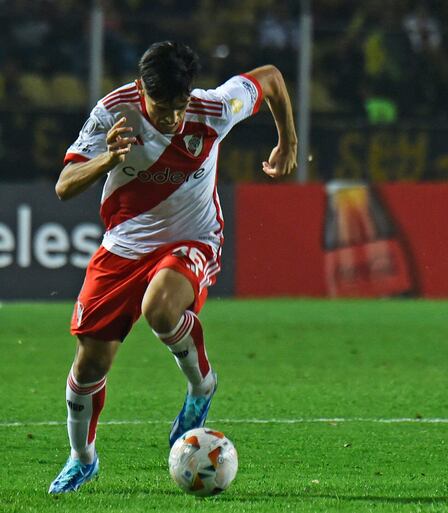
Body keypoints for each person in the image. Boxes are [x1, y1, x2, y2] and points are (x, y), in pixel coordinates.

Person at [48, 41, 297, 494]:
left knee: (160, 308)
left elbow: (273, 79)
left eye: (179, 106)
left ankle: (201, 386)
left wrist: (288, 140)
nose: (172, 118)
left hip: (193, 238)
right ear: (141, 88)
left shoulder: (214, 108)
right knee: (89, 366)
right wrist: (107, 160)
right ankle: (82, 459)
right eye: (163, 108)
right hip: (124, 245)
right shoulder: (112, 114)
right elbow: (65, 186)